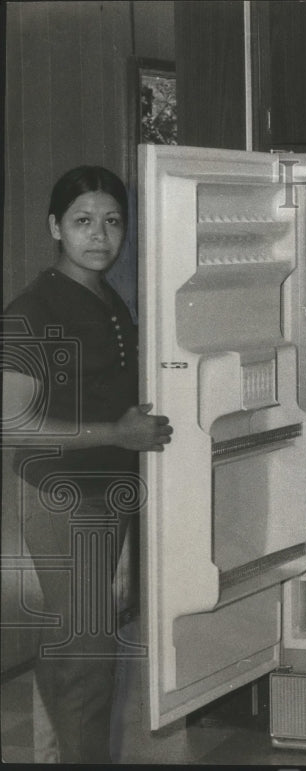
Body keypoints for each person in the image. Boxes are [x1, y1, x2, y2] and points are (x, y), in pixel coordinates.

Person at [1, 166, 173, 763]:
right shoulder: (32, 308)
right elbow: (11, 424)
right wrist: (118, 433)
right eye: (82, 221)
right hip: (63, 497)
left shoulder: (109, 298)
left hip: (111, 494)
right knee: (86, 659)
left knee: (85, 648)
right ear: (55, 227)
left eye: (112, 220)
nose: (99, 235)